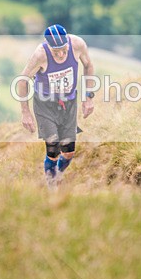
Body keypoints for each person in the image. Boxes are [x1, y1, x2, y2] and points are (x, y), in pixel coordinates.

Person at [17, 24, 95, 186]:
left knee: (68, 152)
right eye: (55, 51)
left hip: (68, 102)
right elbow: (23, 80)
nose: (60, 54)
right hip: (45, 104)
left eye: (64, 50)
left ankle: (57, 174)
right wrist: (25, 112)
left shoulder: (78, 44)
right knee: (53, 149)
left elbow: (88, 65)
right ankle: (51, 186)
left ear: (68, 42)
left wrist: (88, 97)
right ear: (48, 46)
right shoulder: (40, 55)